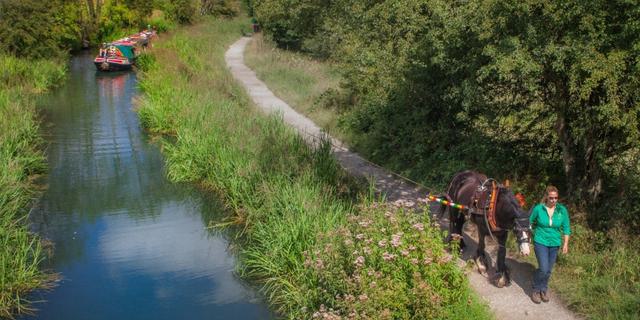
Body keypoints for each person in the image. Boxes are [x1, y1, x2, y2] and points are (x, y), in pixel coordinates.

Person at [529, 185, 571, 304]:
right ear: (546, 197)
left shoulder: (562, 210)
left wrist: (565, 244)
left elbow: (566, 228)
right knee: (543, 268)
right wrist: (530, 235)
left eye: (556, 198)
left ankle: (543, 289)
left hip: (555, 243)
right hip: (540, 241)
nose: (553, 200)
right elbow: (529, 222)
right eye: (551, 198)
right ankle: (536, 290)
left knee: (548, 270)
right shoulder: (538, 208)